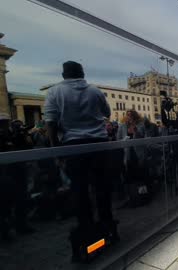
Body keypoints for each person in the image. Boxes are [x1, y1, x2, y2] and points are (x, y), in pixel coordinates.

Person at [44, 61, 116, 261]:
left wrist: (56, 149)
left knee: (80, 190)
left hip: (74, 146)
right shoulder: (95, 91)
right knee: (102, 188)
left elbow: (50, 122)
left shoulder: (54, 92)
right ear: (82, 73)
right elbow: (107, 113)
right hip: (99, 143)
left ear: (64, 74)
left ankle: (87, 229)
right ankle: (108, 225)